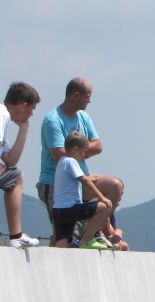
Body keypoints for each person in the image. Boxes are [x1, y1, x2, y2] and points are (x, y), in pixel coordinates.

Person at [38, 78, 125, 248]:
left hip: (82, 178)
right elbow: (60, 154)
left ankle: (98, 231)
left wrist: (79, 150)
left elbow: (98, 146)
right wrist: (83, 152)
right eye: (87, 97)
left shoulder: (84, 117)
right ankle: (56, 261)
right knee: (62, 234)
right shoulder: (53, 119)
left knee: (115, 186)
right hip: (57, 185)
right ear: (76, 95)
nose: (89, 101)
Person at [51, 132, 113, 249]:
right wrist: (102, 197)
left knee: (62, 244)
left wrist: (89, 178)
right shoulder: (71, 161)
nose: (85, 155)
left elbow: (71, 180)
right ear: (75, 149)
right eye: (84, 151)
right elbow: (84, 180)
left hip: (58, 211)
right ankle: (87, 240)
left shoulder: (61, 162)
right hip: (70, 208)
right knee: (104, 207)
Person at [1, 82, 41, 248]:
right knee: (16, 177)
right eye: (32, 109)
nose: (31, 114)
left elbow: (10, 160)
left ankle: (17, 236)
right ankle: (16, 236)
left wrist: (24, 129)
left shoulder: (4, 117)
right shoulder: (1, 115)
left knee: (14, 173)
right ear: (23, 106)